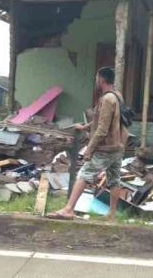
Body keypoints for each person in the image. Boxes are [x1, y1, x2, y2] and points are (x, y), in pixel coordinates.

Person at [48, 67, 127, 221]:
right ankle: (111, 214)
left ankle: (68, 209)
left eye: (97, 78)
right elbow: (103, 118)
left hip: (106, 147)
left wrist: (89, 150)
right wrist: (85, 127)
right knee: (114, 179)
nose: (96, 81)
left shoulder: (107, 99)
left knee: (84, 174)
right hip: (118, 146)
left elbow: (103, 129)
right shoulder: (117, 96)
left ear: (102, 80)